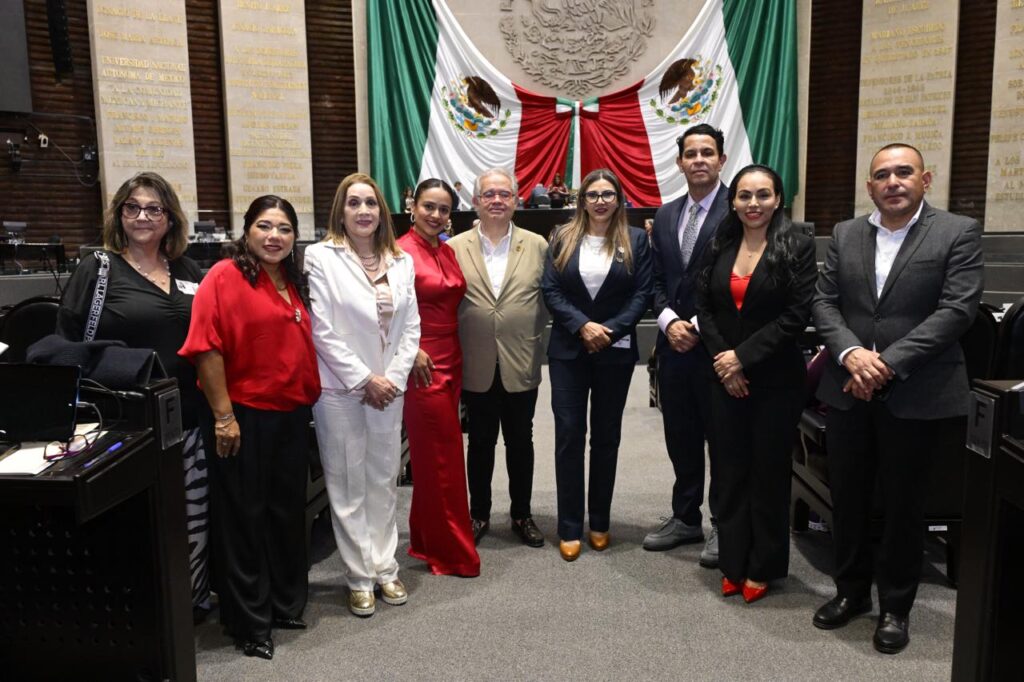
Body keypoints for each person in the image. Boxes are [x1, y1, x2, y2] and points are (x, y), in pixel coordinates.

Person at [811, 143, 983, 654]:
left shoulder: (957, 232)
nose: (893, 182)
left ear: (925, 179)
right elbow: (824, 303)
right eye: (882, 174)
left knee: (906, 506)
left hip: (918, 390)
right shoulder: (846, 233)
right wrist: (851, 355)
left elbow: (956, 311)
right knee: (850, 499)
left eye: (903, 172)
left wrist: (886, 362)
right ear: (869, 187)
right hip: (848, 390)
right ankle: (850, 594)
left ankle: (896, 607)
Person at [55, 171, 211, 619]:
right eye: (132, 207)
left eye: (153, 208)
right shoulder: (99, 268)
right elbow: (64, 343)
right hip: (126, 422)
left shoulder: (186, 269)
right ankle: (141, 617)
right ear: (119, 214)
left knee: (192, 516)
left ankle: (190, 605)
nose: (142, 216)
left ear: (170, 218)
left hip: (186, 416)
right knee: (136, 521)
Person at [179, 195, 321, 660]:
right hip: (241, 416)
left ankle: (283, 603)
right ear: (246, 231)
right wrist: (223, 416)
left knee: (284, 512)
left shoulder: (292, 280)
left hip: (291, 415)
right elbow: (206, 347)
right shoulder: (224, 277)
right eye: (264, 226)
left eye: (284, 228)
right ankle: (248, 622)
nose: (274, 236)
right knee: (243, 518)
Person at [695, 164, 817, 603]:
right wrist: (726, 362)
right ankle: (733, 561)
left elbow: (796, 315)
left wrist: (742, 358)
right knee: (728, 472)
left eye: (763, 195)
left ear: (778, 199)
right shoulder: (719, 242)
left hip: (775, 380)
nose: (753, 204)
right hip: (723, 379)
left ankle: (763, 566)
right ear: (733, 202)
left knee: (767, 473)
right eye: (744, 195)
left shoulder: (798, 245)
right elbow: (704, 306)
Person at [304, 173, 420, 617]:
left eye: (370, 202)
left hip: (389, 390)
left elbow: (410, 328)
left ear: (382, 210)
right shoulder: (320, 256)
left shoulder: (400, 259)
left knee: (383, 479)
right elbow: (322, 329)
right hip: (340, 389)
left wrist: (390, 377)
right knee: (347, 483)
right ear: (341, 210)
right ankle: (357, 574)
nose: (364, 211)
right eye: (354, 203)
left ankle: (385, 565)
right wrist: (363, 378)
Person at [541, 168, 652, 561]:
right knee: (569, 435)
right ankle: (570, 525)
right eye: (593, 194)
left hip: (615, 351)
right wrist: (581, 325)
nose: (601, 200)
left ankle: (600, 521)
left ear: (619, 199)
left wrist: (608, 329)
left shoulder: (637, 240)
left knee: (606, 437)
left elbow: (643, 294)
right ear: (581, 200)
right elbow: (550, 289)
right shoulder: (561, 237)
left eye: (608, 194)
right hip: (568, 352)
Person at [448, 168, 549, 547]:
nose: (496, 200)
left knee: (521, 441)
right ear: (475, 201)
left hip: (520, 360)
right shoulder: (454, 247)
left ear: (516, 200)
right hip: (474, 362)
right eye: (488, 194)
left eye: (504, 194)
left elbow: (547, 300)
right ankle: (479, 514)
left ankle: (522, 514)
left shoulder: (537, 245)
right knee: (481, 443)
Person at [645, 123, 730, 567]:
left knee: (722, 437)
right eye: (691, 153)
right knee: (680, 435)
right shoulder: (665, 214)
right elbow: (658, 280)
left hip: (719, 348)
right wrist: (669, 321)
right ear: (679, 162)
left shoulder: (742, 209)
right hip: (672, 345)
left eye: (707, 152)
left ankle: (723, 523)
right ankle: (685, 517)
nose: (699, 159)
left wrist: (695, 323)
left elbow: (740, 279)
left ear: (721, 160)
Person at [398, 179, 481, 577]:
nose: (435, 215)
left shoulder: (447, 250)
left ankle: (428, 539)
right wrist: (408, 348)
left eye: (443, 209)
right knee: (443, 460)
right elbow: (383, 311)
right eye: (428, 206)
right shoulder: (398, 252)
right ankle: (452, 552)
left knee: (437, 459)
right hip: (421, 364)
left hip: (453, 358)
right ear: (413, 206)